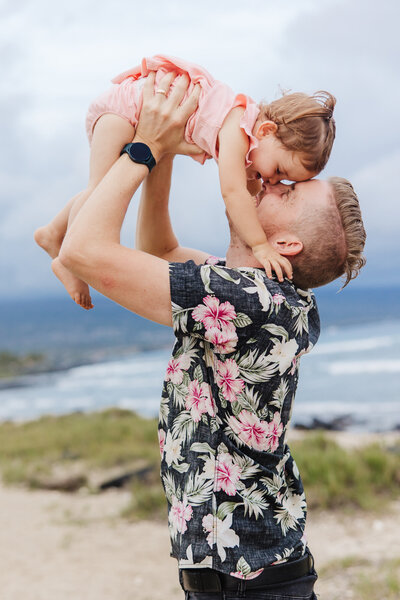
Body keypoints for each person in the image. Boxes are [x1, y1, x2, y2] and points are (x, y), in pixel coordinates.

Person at [58, 73, 366, 599]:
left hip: (250, 579)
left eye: (285, 191)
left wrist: (143, 148)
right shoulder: (256, 291)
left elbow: (81, 250)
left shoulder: (252, 301)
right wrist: (171, 146)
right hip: (239, 572)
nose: (268, 182)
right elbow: (156, 247)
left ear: (286, 243)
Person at [35, 54, 336, 310]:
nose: (271, 181)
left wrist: (159, 148)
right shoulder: (237, 130)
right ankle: (65, 258)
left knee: (98, 190)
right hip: (127, 108)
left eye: (284, 185)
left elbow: (249, 190)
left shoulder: (251, 140)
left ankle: (53, 232)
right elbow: (233, 192)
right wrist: (259, 245)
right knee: (98, 191)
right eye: (280, 171)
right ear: (267, 130)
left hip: (139, 113)